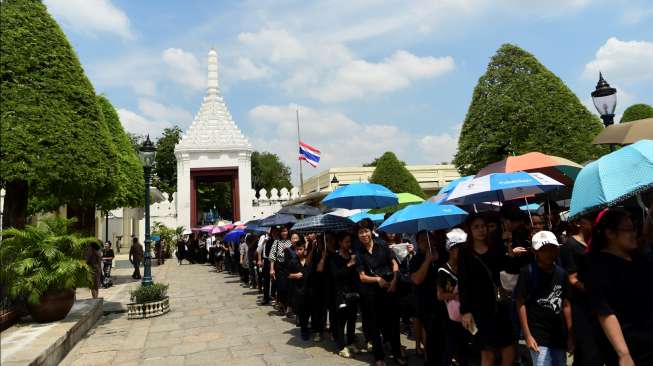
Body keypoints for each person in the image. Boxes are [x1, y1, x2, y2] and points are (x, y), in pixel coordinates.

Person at [585, 209, 653, 366]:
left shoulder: (639, 258)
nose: (634, 233)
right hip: (631, 350)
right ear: (610, 234)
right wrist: (624, 354)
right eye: (628, 230)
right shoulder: (598, 269)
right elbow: (605, 312)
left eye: (634, 228)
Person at [458, 214, 516, 366]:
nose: (481, 230)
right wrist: (465, 311)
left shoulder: (496, 247)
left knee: (509, 349)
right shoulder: (465, 253)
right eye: (476, 227)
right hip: (479, 310)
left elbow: (509, 269)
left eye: (483, 226)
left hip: (500, 304)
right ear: (469, 230)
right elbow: (463, 284)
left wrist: (509, 245)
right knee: (487, 352)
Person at [515, 231, 573, 366]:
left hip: (558, 334)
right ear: (535, 252)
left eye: (552, 249)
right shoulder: (527, 272)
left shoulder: (561, 273)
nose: (548, 253)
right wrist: (528, 335)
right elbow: (520, 303)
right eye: (543, 250)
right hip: (538, 334)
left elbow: (566, 304)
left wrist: (571, 336)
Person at [355, 219, 405, 366]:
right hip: (372, 294)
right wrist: (377, 280)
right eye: (360, 232)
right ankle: (379, 357)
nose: (363, 234)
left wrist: (394, 281)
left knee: (393, 324)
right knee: (375, 326)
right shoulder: (359, 252)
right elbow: (362, 277)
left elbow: (394, 263)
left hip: (390, 289)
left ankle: (397, 353)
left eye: (365, 231)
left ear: (371, 231)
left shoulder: (382, 245)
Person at [559, 214, 601, 366]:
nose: (594, 223)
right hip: (580, 307)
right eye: (590, 219)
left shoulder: (596, 244)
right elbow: (572, 278)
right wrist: (593, 291)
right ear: (578, 223)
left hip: (595, 305)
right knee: (589, 353)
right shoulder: (570, 246)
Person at [409, 230, 447, 366]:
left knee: (445, 335)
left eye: (429, 239)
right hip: (426, 302)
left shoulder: (444, 254)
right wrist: (427, 261)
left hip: (445, 301)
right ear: (418, 244)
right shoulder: (416, 259)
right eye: (423, 241)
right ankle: (429, 358)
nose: (427, 243)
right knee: (430, 335)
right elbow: (417, 279)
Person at [437, 228, 470, 366]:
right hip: (450, 317)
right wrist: (455, 295)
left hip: (467, 314)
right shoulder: (443, 271)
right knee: (450, 347)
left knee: (464, 347)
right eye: (458, 249)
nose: (462, 252)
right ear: (450, 249)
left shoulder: (467, 266)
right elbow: (440, 295)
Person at [328, 232, 361, 358]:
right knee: (341, 321)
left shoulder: (352, 255)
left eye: (349, 242)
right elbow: (336, 275)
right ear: (340, 242)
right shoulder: (334, 257)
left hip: (353, 292)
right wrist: (349, 264)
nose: (349, 244)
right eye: (346, 241)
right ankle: (341, 346)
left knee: (352, 319)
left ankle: (351, 342)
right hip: (340, 293)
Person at [287, 239, 311, 340]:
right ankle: (304, 330)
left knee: (308, 310)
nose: (298, 252)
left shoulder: (309, 260)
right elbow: (287, 275)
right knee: (301, 311)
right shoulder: (293, 261)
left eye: (300, 249)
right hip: (298, 290)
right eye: (297, 250)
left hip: (309, 290)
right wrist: (295, 275)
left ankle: (309, 327)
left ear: (305, 250)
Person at [269, 226, 292, 314]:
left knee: (289, 287)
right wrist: (271, 269)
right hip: (280, 266)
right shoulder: (277, 242)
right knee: (281, 286)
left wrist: (288, 249)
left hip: (290, 266)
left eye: (285, 231)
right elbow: (272, 256)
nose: (284, 233)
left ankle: (289, 307)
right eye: (282, 231)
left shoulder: (291, 241)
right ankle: (282, 305)